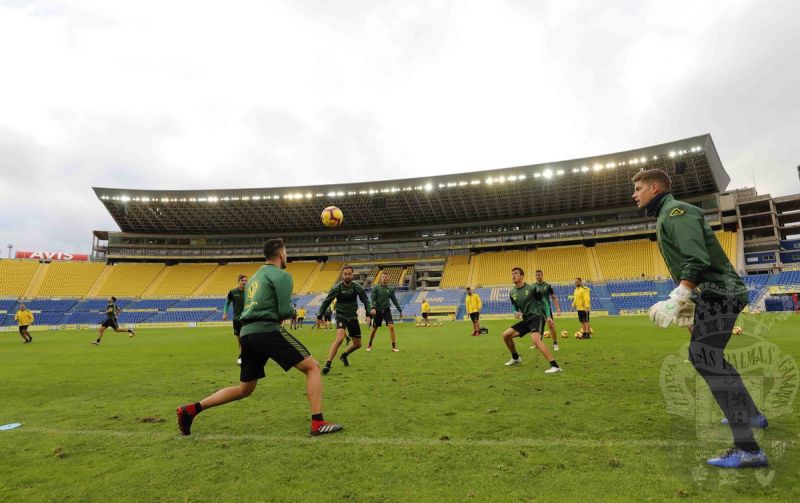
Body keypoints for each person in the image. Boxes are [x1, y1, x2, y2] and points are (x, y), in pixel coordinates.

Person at [633, 168, 767, 468]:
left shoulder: (675, 212)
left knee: (705, 357)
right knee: (710, 356)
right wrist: (692, 304)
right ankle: (753, 415)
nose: (634, 194)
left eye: (639, 188)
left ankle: (749, 449)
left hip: (721, 292)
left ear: (655, 188)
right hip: (715, 293)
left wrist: (679, 296)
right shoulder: (668, 214)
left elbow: (697, 259)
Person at [177, 238, 342, 436]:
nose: (286, 256)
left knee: (244, 389)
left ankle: (191, 410)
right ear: (281, 254)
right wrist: (295, 311)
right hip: (267, 330)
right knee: (313, 367)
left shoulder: (253, 279)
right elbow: (283, 310)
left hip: (247, 333)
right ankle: (318, 423)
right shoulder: (282, 276)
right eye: (286, 253)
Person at [501, 268, 561, 374]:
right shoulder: (512, 292)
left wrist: (548, 316)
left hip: (537, 317)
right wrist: (515, 312)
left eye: (516, 274)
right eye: (512, 274)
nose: (513, 276)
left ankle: (555, 366)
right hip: (526, 320)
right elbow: (514, 307)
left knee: (536, 340)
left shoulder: (532, 288)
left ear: (522, 276)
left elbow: (544, 302)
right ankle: (516, 358)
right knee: (506, 335)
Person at [317, 266, 371, 375]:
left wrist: (369, 314)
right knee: (340, 338)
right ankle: (328, 363)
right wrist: (319, 316)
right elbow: (326, 301)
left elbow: (366, 300)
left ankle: (344, 355)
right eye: (345, 274)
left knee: (358, 344)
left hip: (352, 316)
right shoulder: (337, 288)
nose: (347, 276)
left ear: (352, 275)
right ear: (342, 275)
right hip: (341, 315)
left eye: (349, 274)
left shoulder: (357, 287)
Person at [366, 271, 403, 352]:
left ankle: (394, 347)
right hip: (378, 311)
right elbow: (372, 299)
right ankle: (369, 344)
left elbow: (394, 300)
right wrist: (372, 308)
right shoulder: (376, 288)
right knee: (374, 329)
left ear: (388, 279)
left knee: (391, 327)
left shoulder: (390, 289)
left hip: (386, 310)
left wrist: (400, 310)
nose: (384, 279)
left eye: (386, 277)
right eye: (383, 277)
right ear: (381, 278)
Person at [532, 269, 562, 351]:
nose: (537, 276)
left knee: (551, 326)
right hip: (537, 310)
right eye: (536, 275)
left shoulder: (548, 286)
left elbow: (553, 297)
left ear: (542, 275)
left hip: (546, 309)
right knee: (538, 327)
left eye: (539, 275)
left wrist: (558, 309)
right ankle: (537, 344)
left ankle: (555, 343)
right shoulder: (532, 286)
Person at [222, 274, 247, 365]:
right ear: (239, 281)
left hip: (247, 318)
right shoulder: (232, 292)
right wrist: (225, 313)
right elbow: (227, 303)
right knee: (240, 339)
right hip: (237, 319)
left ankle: (244, 356)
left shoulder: (249, 292)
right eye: (242, 280)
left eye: (245, 281)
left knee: (248, 338)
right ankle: (241, 356)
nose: (244, 282)